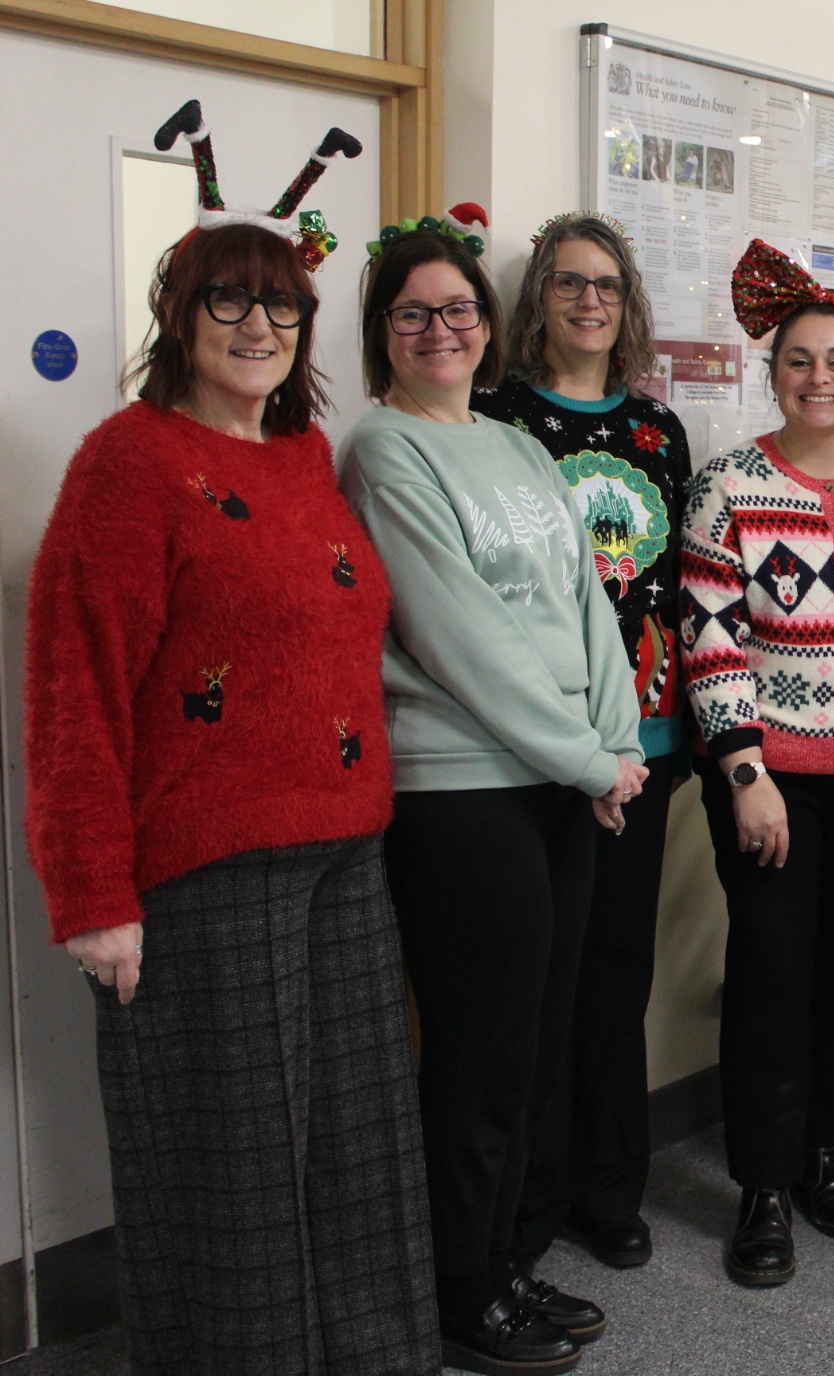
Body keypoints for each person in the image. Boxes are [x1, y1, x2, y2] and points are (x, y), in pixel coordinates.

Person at [23, 107, 437, 1373]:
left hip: (344, 854)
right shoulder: (127, 464)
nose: (258, 330)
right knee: (235, 1167)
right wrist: (94, 892)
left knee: (362, 1149)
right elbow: (71, 690)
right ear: (183, 320)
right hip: (204, 873)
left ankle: (370, 1355)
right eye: (229, 306)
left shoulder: (311, 459)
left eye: (282, 310)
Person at [339, 217, 644, 1376]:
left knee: (532, 1044)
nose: (440, 329)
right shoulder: (382, 450)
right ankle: (458, 1287)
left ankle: (505, 1259)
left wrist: (613, 745)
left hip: (563, 777)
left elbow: (585, 609)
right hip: (461, 790)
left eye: (458, 309)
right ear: (383, 334)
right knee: (477, 1051)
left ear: (485, 323)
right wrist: (585, 758)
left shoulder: (515, 447)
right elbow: (457, 636)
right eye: (413, 313)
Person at [680, 240, 834, 1286]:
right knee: (772, 977)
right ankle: (762, 1186)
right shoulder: (724, 486)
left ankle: (821, 1152)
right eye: (798, 361)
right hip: (772, 779)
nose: (818, 379)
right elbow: (708, 638)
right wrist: (743, 773)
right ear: (770, 373)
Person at [472, 211, 694, 1271]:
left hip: (642, 738)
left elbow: (681, 588)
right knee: (534, 979)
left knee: (614, 974)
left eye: (607, 284)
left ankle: (611, 1188)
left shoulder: (658, 431)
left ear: (628, 301)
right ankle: (532, 1190)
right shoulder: (492, 419)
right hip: (530, 739)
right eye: (567, 283)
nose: (589, 301)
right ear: (536, 300)